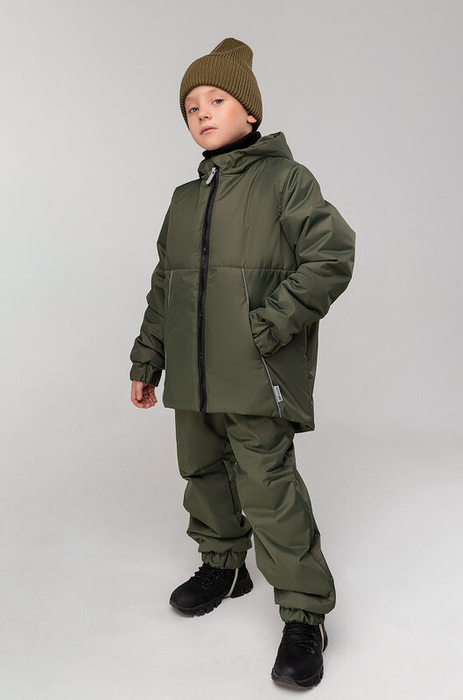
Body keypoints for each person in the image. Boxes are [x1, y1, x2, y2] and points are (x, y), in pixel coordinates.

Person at [129, 37, 356, 688]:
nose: (202, 112)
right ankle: (223, 565)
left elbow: (331, 255)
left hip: (256, 372)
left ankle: (304, 616)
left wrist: (268, 325)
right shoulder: (183, 198)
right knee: (201, 469)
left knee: (268, 488)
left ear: (250, 111)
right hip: (192, 374)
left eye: (216, 99)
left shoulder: (286, 181)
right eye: (191, 106)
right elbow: (165, 284)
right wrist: (148, 358)